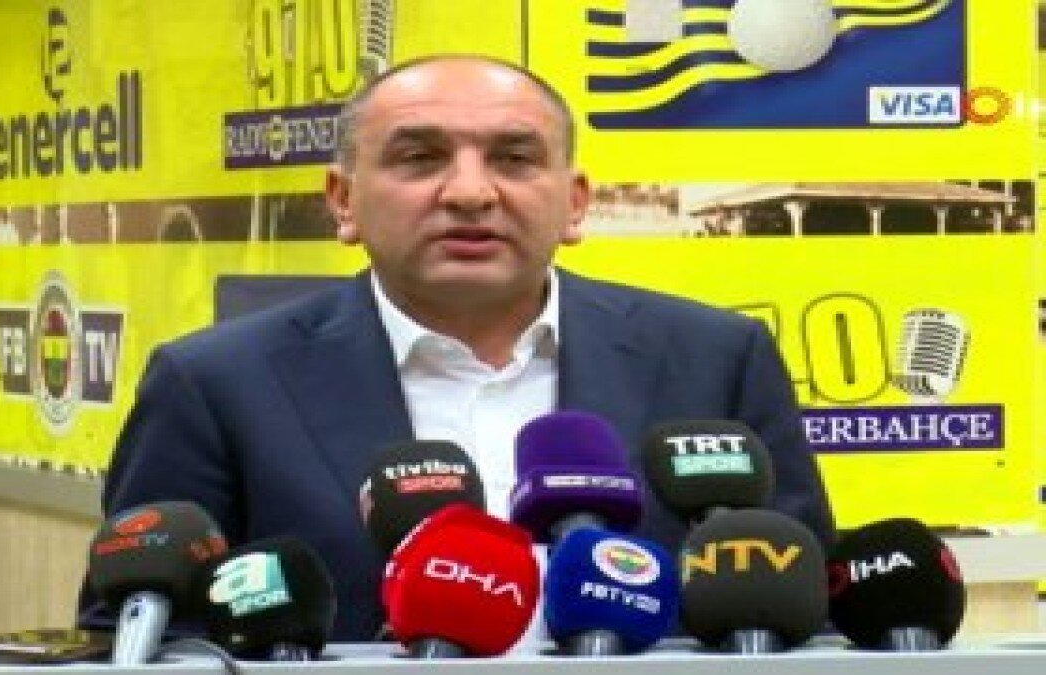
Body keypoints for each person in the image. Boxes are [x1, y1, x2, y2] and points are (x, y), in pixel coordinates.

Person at [78, 54, 834, 641]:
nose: (470, 192)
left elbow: (804, 607)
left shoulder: (716, 359)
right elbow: (138, 630)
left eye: (514, 159)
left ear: (575, 203)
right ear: (343, 200)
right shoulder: (215, 383)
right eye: (419, 158)